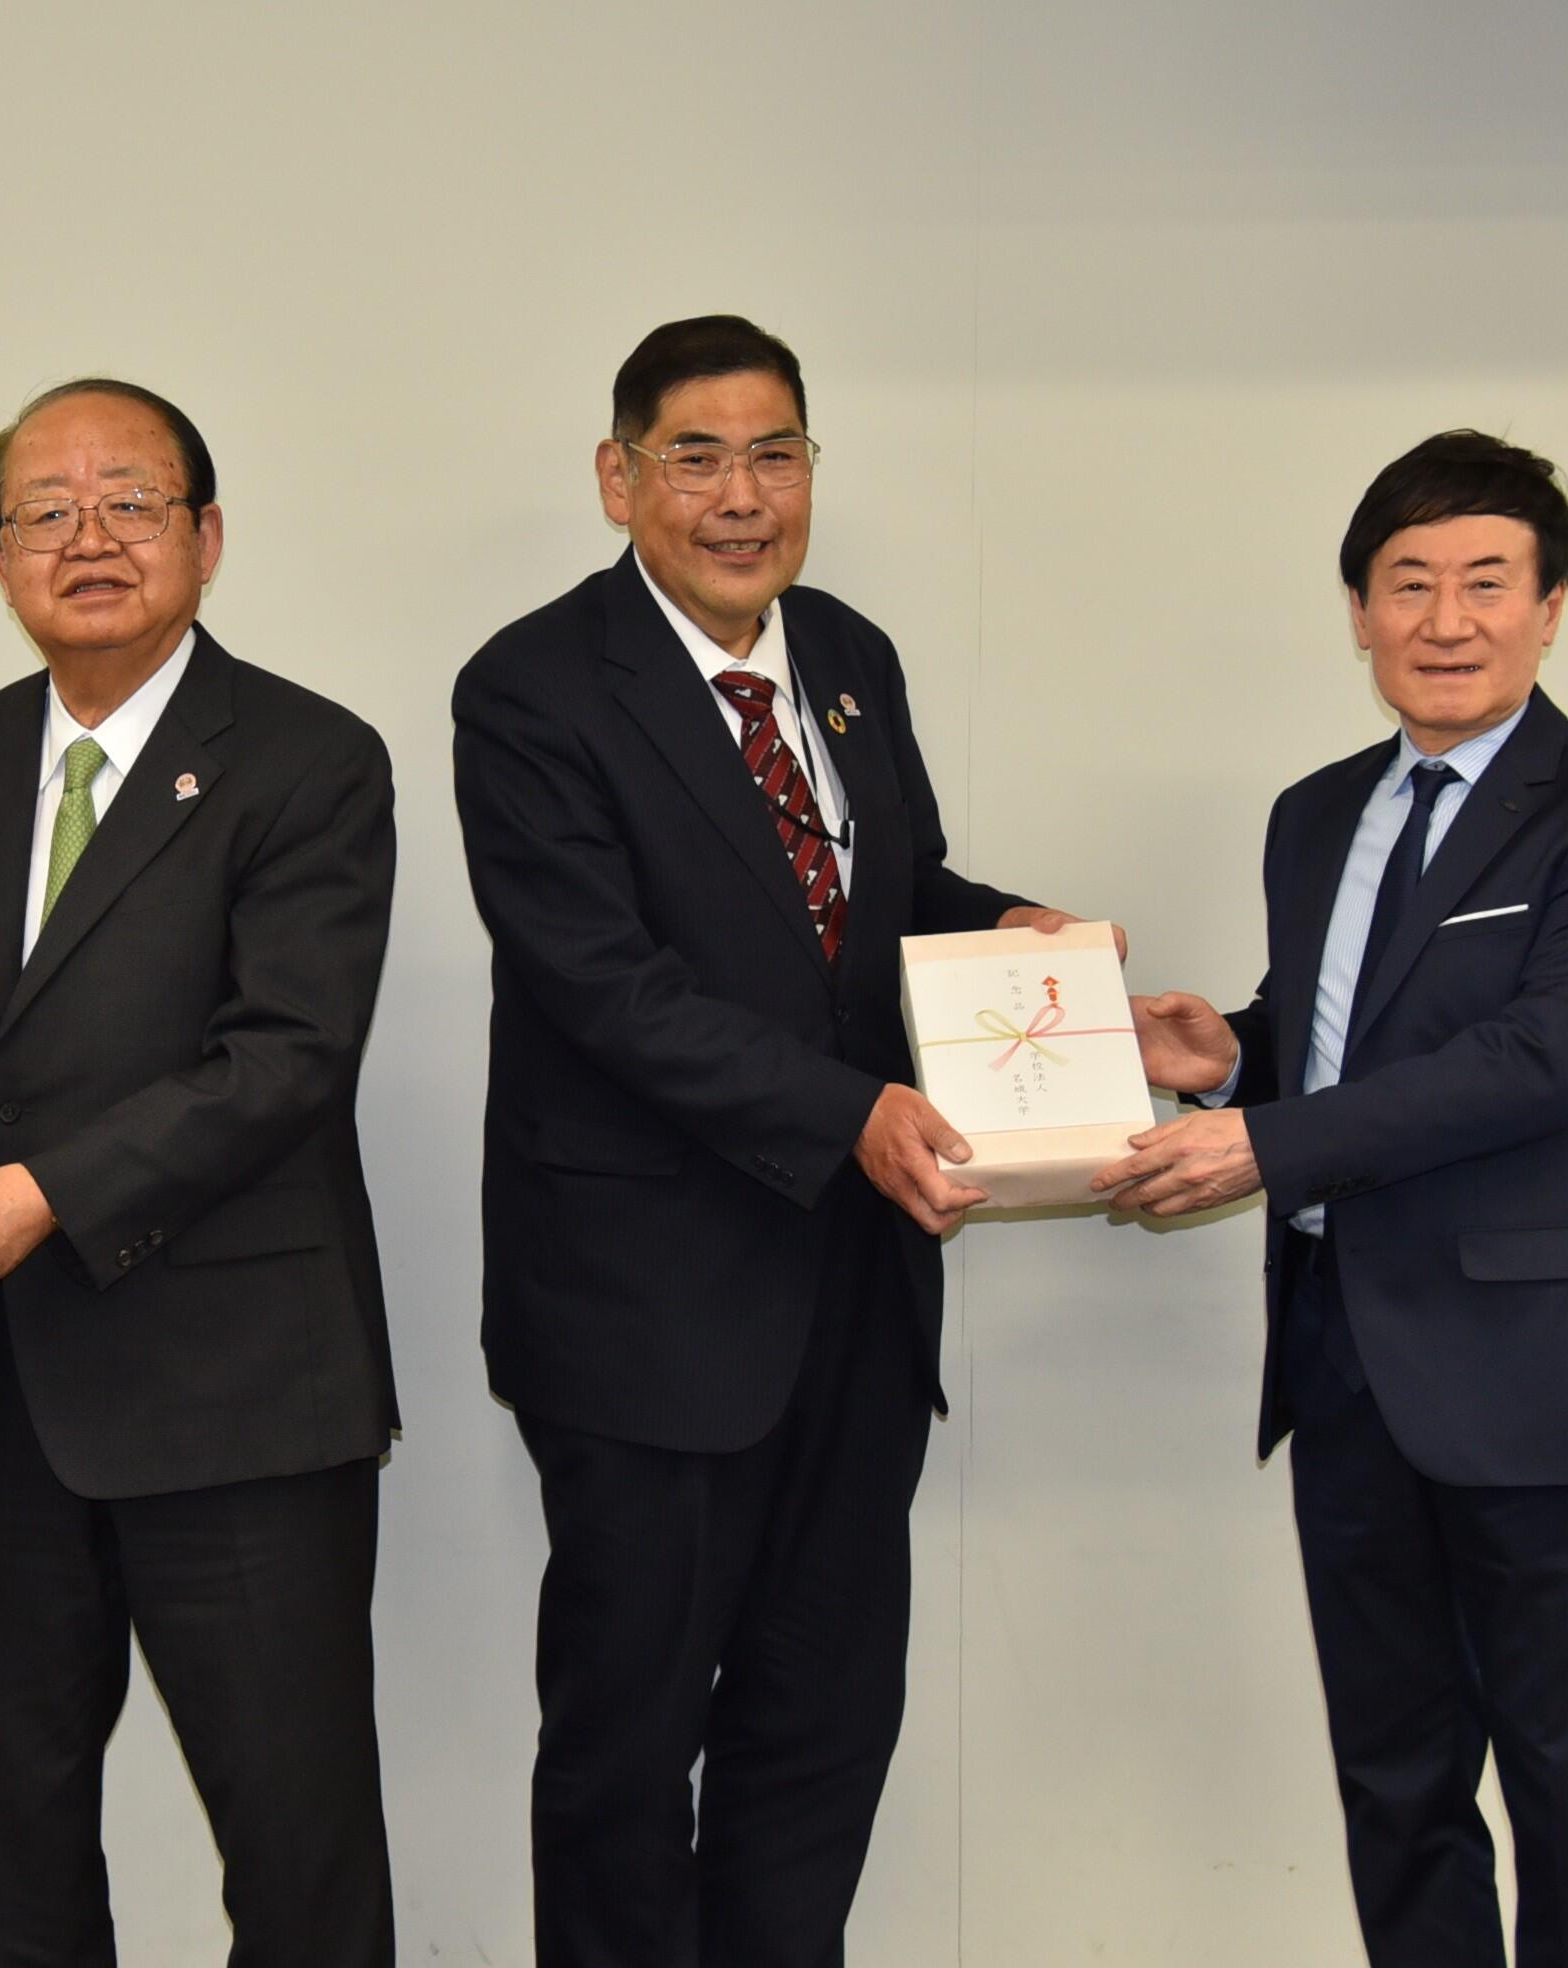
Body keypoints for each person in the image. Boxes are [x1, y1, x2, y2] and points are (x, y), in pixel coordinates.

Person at [452, 314, 1107, 1967]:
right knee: (625, 1754)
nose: (742, 496)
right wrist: (856, 1111)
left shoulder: (849, 657)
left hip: (857, 1305)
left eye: (776, 454)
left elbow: (885, 907)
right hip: (646, 1320)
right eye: (696, 456)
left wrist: (1033, 950)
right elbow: (607, 986)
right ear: (619, 479)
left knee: (822, 1732)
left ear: (812, 469)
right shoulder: (531, 689)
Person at [1093, 429, 1568, 1967]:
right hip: (1351, 1373)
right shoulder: (1316, 814)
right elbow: (1345, 1036)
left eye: (1487, 582)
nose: (1448, 620)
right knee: (1398, 1788)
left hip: (1550, 1387)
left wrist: (1271, 1148)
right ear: (1358, 610)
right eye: (1409, 583)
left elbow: (1537, 1060)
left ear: (1553, 606)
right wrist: (1227, 1059)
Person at [0, 377, 400, 1966]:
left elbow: (287, 1054)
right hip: (0, 1391)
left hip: (236, 1395)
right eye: (48, 511)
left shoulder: (308, 757)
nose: (90, 539)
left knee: (295, 1848)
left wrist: (48, 1196)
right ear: (0, 553)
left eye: (131, 502)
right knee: (11, 1847)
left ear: (206, 536)